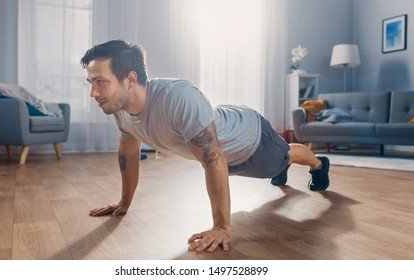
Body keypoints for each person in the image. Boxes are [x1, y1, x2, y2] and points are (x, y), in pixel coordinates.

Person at [81, 40, 330, 253]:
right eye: (91, 82)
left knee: (285, 156)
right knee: (275, 166)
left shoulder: (177, 96)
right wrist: (124, 202)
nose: (93, 92)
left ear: (130, 79)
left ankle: (319, 165)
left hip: (251, 139)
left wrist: (221, 228)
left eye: (101, 82)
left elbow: (213, 159)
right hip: (226, 157)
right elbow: (129, 154)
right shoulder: (121, 109)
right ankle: (281, 169)